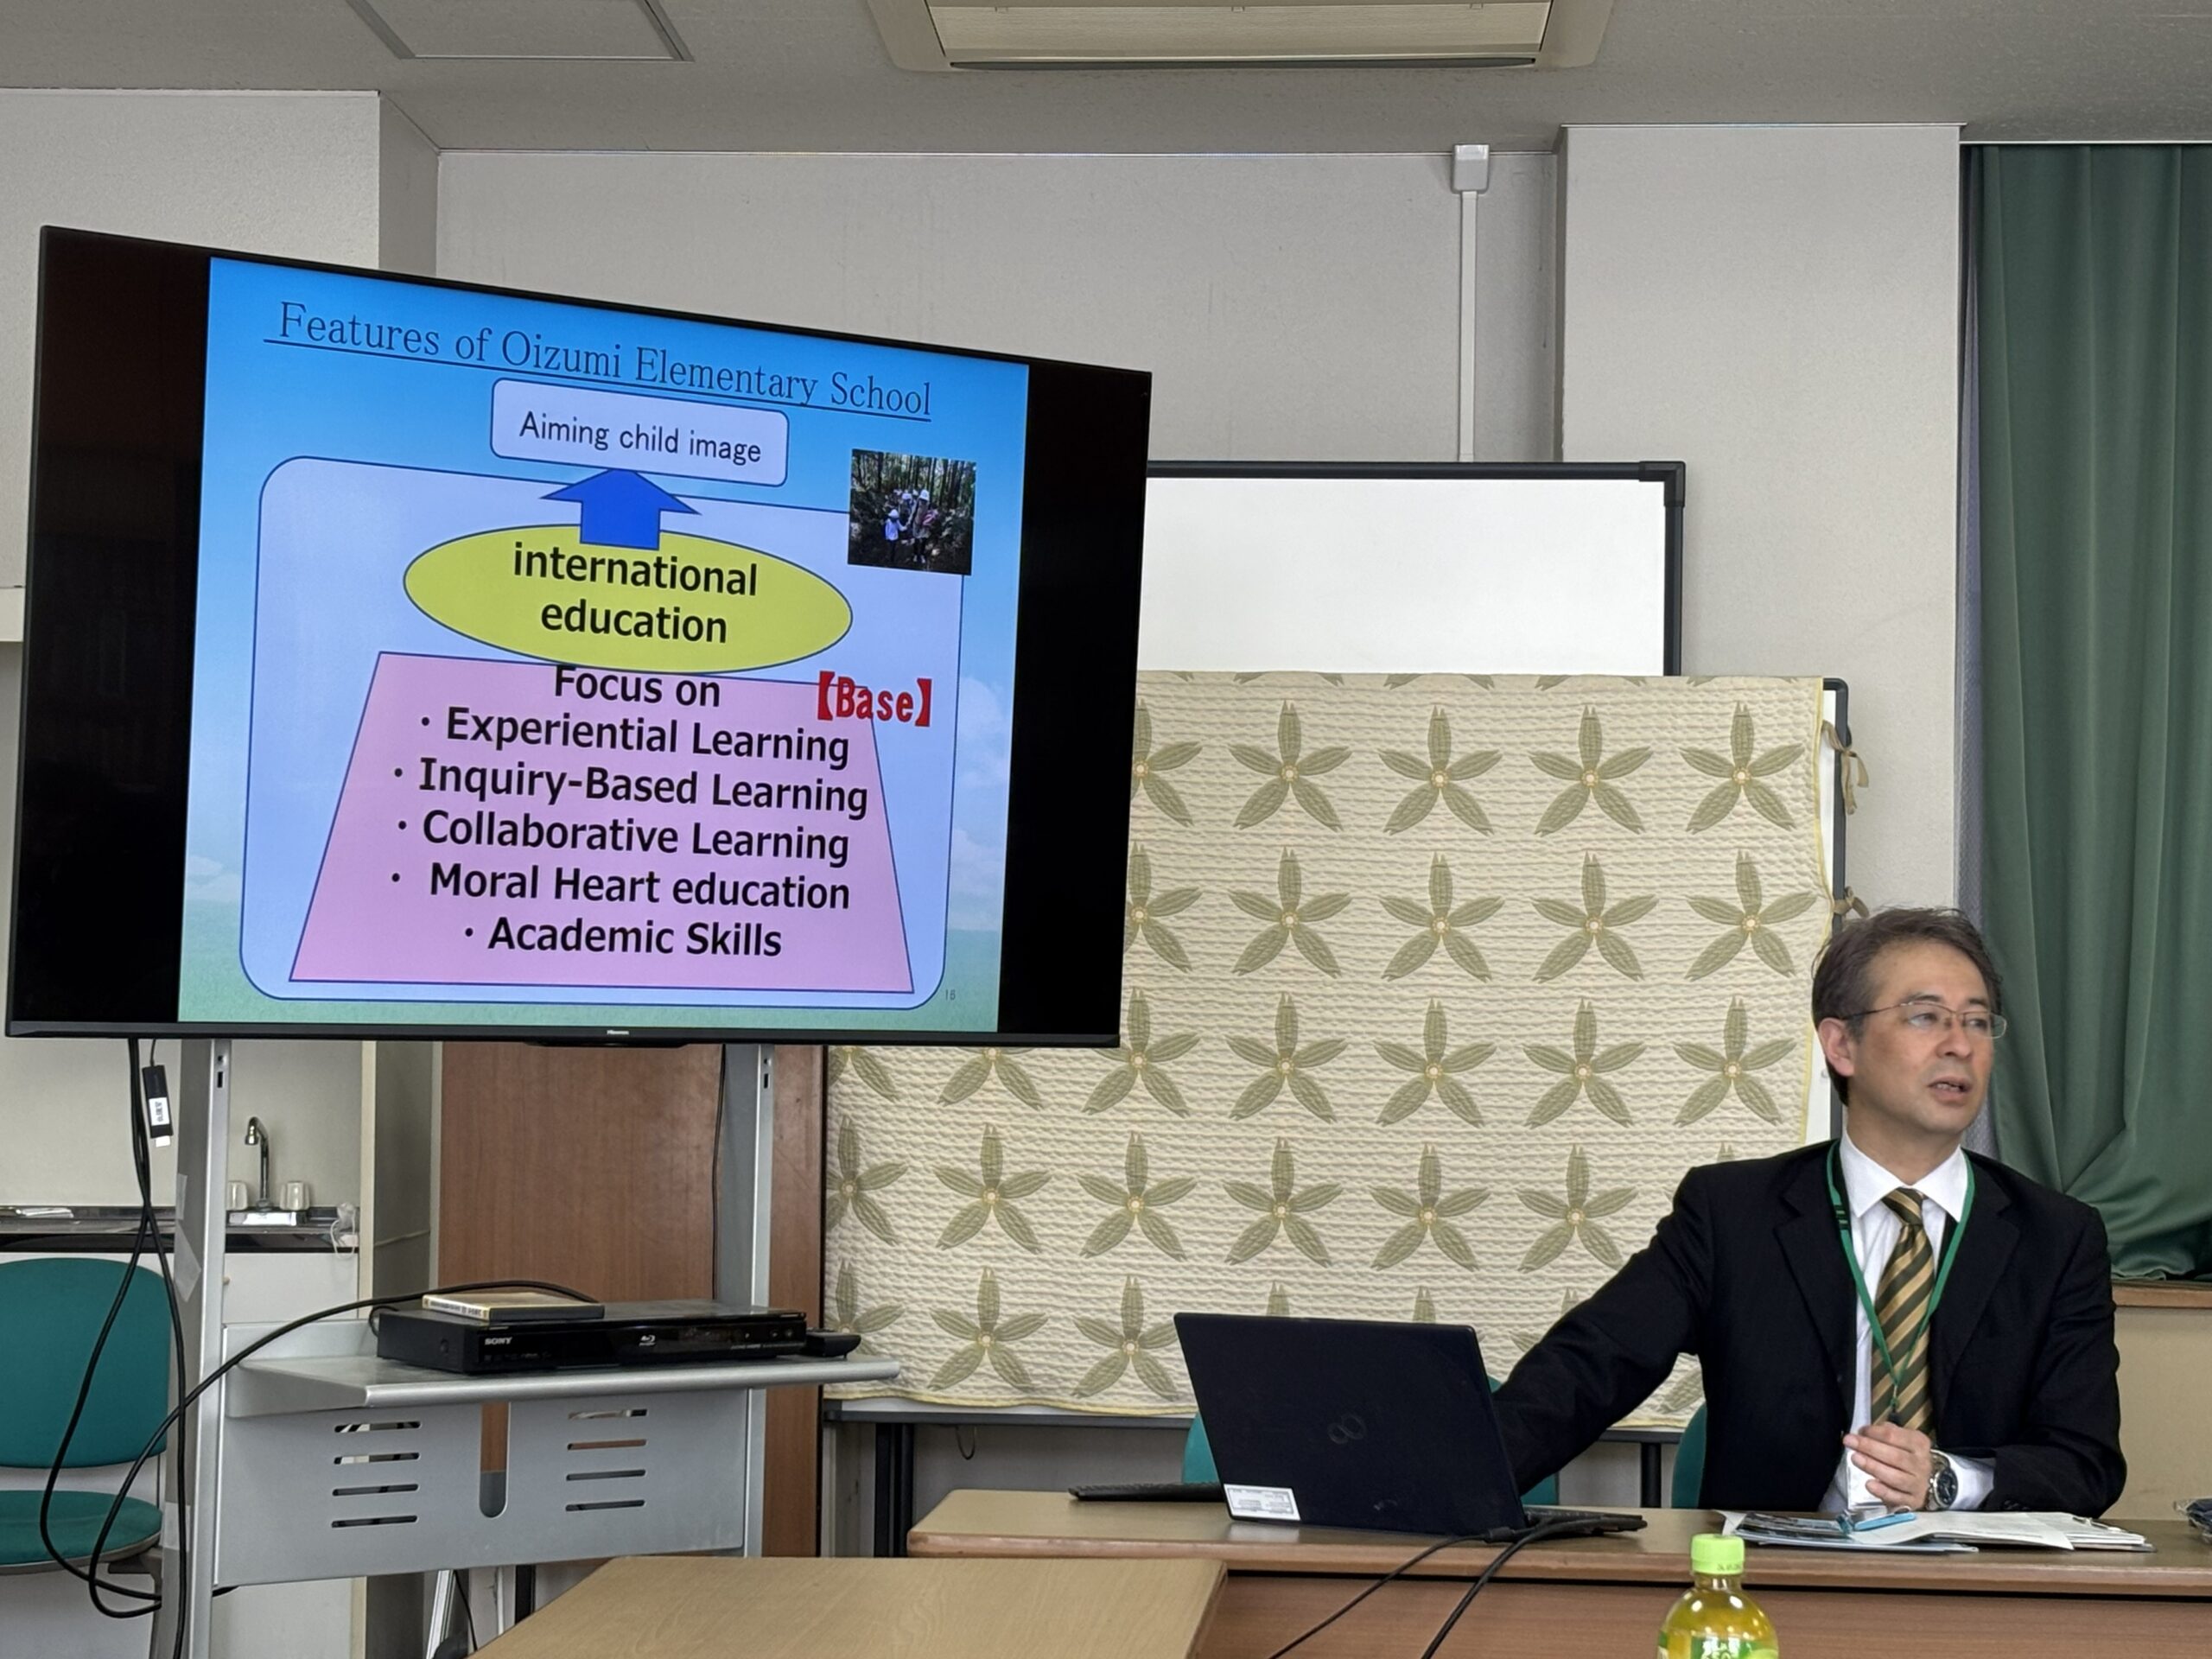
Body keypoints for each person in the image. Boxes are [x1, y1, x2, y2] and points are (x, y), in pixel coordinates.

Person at [1491, 907, 2126, 1516]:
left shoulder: (2057, 1238)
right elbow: (1588, 1369)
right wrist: (1457, 1485)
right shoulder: (1732, 1215)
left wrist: (1947, 1478)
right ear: (1841, 1045)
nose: (1960, 1045)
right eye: (1926, 1017)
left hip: (1976, 1576)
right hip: (1778, 1572)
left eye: (1979, 1022)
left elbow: (2084, 1462)